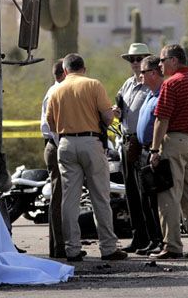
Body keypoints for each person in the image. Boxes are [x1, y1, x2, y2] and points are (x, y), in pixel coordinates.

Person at [46, 53, 127, 262]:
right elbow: (108, 118)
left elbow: (51, 124)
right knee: (99, 196)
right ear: (84, 68)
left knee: (69, 199)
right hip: (90, 143)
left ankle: (71, 249)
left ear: (65, 71)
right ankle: (108, 247)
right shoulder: (93, 85)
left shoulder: (56, 90)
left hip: (65, 144)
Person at [149, 44, 188, 259]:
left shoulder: (171, 84)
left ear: (174, 60)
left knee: (168, 195)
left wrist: (154, 149)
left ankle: (173, 246)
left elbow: (162, 119)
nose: (160, 64)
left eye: (162, 60)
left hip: (174, 141)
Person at [114, 43, 152, 253]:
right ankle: (139, 237)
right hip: (127, 142)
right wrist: (117, 112)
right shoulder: (128, 84)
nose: (135, 64)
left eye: (139, 59)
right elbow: (120, 109)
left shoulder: (152, 85)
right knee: (131, 193)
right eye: (132, 60)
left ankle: (152, 237)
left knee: (145, 192)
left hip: (144, 143)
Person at [134, 55, 164, 255]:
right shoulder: (149, 94)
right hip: (143, 150)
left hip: (155, 151)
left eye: (143, 72)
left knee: (155, 199)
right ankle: (153, 240)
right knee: (145, 199)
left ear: (153, 73)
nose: (139, 76)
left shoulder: (163, 93)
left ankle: (162, 240)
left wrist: (155, 149)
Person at [40, 60, 67, 258]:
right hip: (57, 145)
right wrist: (63, 145)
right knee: (59, 198)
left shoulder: (55, 90)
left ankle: (60, 245)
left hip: (54, 144)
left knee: (61, 196)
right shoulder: (57, 92)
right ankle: (59, 247)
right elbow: (53, 125)